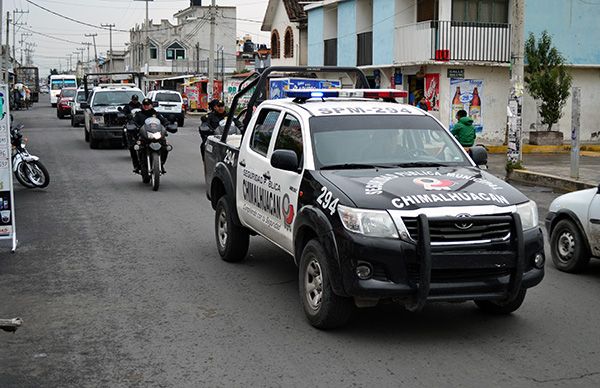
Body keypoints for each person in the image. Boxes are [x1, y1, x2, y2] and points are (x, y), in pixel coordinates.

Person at [132, 98, 171, 174]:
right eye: (145, 105)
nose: (146, 106)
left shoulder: (156, 114)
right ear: (142, 106)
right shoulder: (139, 114)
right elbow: (133, 122)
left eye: (148, 105)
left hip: (156, 135)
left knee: (165, 146)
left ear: (151, 105)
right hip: (144, 136)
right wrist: (133, 126)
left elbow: (164, 121)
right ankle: (137, 165)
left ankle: (161, 164)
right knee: (133, 146)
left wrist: (167, 125)